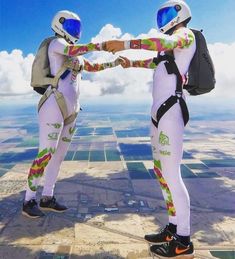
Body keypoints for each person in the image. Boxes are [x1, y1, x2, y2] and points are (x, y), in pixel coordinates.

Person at [106, 0, 195, 258]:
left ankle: (183, 241)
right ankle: (173, 226)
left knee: (172, 175)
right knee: (161, 171)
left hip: (171, 112)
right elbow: (156, 62)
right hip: (159, 113)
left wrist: (126, 44)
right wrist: (129, 63)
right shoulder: (170, 49)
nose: (165, 19)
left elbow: (162, 44)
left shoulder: (185, 35)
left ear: (181, 14)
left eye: (168, 13)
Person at [22, 10, 121, 219]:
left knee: (58, 156)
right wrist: (102, 45)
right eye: (71, 27)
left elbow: (92, 66)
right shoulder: (57, 44)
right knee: (46, 153)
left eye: (77, 28)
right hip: (53, 104)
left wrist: (114, 63)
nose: (74, 31)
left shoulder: (75, 54)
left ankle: (47, 197)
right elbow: (75, 49)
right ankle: (28, 200)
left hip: (71, 110)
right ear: (59, 25)